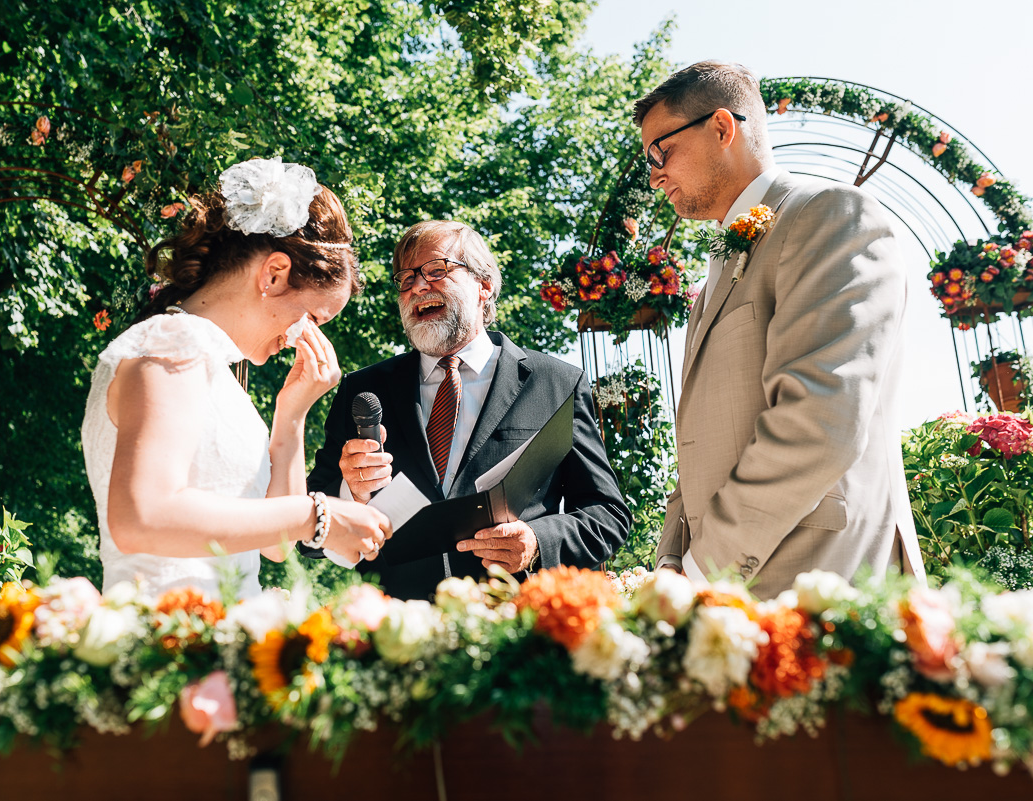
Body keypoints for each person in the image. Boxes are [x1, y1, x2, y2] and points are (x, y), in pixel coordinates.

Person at [633, 61, 926, 598]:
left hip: (819, 578)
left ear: (723, 128)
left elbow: (821, 417)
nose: (654, 175)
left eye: (661, 152)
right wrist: (671, 559)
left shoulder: (831, 214)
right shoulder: (723, 260)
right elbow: (702, 445)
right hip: (726, 589)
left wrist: (706, 569)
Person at [82, 157, 392, 599]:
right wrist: (318, 513)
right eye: (312, 316)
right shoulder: (174, 343)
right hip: (162, 636)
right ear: (273, 274)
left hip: (218, 634)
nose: (301, 337)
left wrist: (291, 417)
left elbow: (274, 545)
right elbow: (142, 518)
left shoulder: (213, 370)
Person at [307, 220, 631, 600]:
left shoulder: (556, 384)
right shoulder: (363, 392)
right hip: (398, 633)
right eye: (406, 280)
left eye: (436, 270)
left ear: (484, 285)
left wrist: (537, 542)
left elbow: (607, 514)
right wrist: (351, 493)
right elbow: (308, 533)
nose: (417, 287)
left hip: (515, 629)